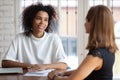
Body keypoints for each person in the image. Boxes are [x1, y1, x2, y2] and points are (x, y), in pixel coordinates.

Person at [48, 5, 118, 80]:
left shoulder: (96, 55)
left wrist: (54, 77)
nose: (85, 24)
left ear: (95, 24)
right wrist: (63, 73)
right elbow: (83, 71)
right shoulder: (107, 50)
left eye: (87, 20)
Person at [2, 2, 68, 71]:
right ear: (31, 20)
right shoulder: (19, 38)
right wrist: (31, 66)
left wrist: (44, 66)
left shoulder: (54, 39)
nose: (42, 22)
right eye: (38, 18)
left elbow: (63, 65)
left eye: (46, 20)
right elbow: (5, 63)